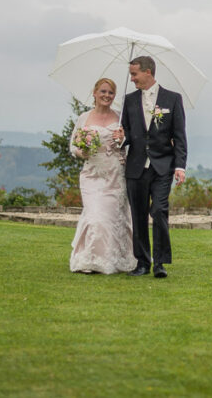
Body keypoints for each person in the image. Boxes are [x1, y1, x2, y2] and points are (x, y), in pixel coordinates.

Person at [120, 55, 187, 278]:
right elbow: (126, 133)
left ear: (148, 72)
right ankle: (142, 263)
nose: (132, 79)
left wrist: (180, 166)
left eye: (134, 74)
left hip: (162, 166)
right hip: (136, 167)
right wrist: (121, 137)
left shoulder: (173, 99)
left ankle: (160, 263)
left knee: (159, 211)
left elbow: (179, 136)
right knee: (138, 215)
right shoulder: (128, 100)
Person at [68, 78, 137, 275]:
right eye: (103, 92)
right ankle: (89, 258)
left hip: (115, 174)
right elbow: (73, 145)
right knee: (94, 215)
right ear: (95, 93)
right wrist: (82, 152)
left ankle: (112, 258)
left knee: (112, 217)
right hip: (91, 174)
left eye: (111, 93)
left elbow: (130, 142)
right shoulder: (84, 118)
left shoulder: (120, 117)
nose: (107, 96)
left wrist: (122, 139)